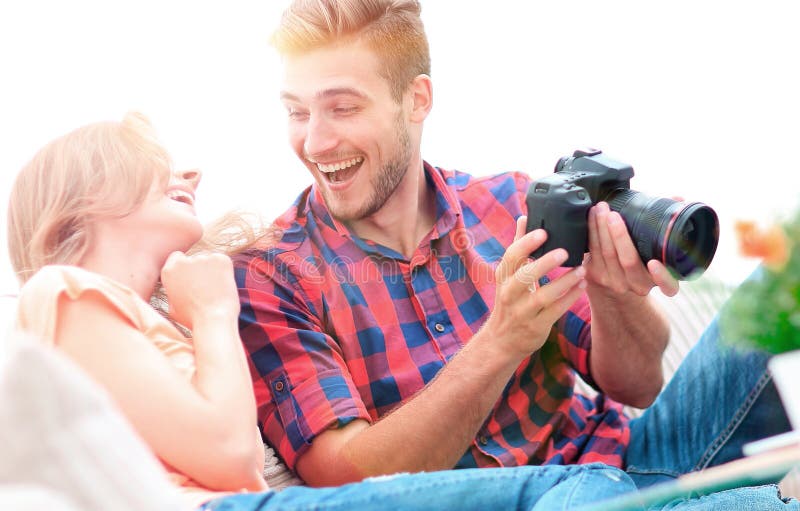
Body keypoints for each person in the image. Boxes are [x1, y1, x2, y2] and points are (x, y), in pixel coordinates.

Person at [233, 0, 796, 507]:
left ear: (416, 99)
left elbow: (638, 385)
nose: (314, 142)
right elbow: (343, 482)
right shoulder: (272, 275)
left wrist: (615, 293)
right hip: (541, 503)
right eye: (297, 111)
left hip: (632, 461)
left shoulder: (508, 206)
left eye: (342, 108)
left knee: (787, 267)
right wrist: (502, 341)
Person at [6, 112, 645, 511]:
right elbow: (231, 460)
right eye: (151, 165)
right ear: (82, 203)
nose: (192, 172)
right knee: (567, 491)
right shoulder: (62, 293)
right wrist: (213, 314)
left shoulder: (151, 319)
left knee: (582, 488)